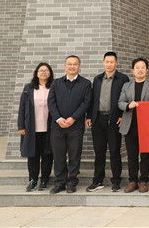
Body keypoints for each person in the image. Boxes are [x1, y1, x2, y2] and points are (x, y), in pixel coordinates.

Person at [85, 52, 130, 193]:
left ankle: (116, 181)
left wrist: (123, 116)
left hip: (114, 119)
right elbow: (92, 99)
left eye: (112, 61)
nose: (109, 64)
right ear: (103, 63)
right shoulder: (97, 79)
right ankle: (97, 180)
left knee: (115, 151)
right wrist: (89, 116)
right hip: (98, 119)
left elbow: (126, 98)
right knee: (99, 152)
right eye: (107, 61)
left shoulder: (123, 79)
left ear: (116, 63)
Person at [47, 55, 92, 194]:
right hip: (57, 126)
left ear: (79, 66)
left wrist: (73, 118)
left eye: (75, 64)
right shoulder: (56, 83)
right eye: (69, 64)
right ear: (65, 66)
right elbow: (51, 102)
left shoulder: (85, 83)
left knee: (74, 155)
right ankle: (60, 182)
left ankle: (71, 182)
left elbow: (86, 103)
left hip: (76, 126)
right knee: (58, 155)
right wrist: (58, 119)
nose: (72, 66)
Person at [117, 58, 149, 193]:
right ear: (133, 70)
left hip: (146, 126)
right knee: (132, 155)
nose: (140, 70)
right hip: (130, 125)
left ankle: (143, 181)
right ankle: (132, 181)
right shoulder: (126, 86)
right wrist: (128, 105)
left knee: (145, 155)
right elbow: (120, 102)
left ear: (147, 70)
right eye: (137, 67)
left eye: (142, 67)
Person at [18, 62, 54, 192]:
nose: (43, 72)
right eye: (41, 70)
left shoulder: (54, 87)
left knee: (47, 155)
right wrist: (21, 126)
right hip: (32, 128)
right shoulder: (29, 88)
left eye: (46, 70)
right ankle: (33, 179)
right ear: (36, 73)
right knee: (32, 155)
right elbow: (22, 107)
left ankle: (44, 180)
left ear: (50, 73)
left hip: (49, 128)